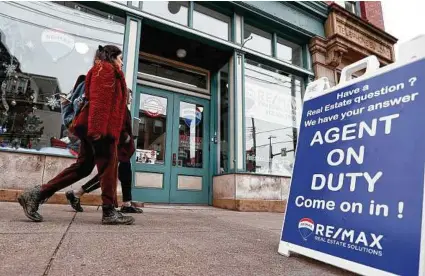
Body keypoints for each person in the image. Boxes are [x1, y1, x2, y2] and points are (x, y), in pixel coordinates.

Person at [17, 45, 134, 225]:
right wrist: (98, 131)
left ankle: (36, 195)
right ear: (112, 57)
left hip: (94, 129)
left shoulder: (105, 70)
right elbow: (99, 103)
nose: (122, 62)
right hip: (100, 130)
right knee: (109, 167)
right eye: (120, 58)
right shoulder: (106, 69)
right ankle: (109, 211)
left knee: (83, 168)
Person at [66, 89, 143, 214]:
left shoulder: (124, 109)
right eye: (129, 96)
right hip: (118, 148)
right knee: (107, 176)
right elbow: (116, 126)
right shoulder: (119, 108)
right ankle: (76, 193)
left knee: (125, 174)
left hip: (124, 150)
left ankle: (127, 203)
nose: (130, 99)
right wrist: (126, 137)